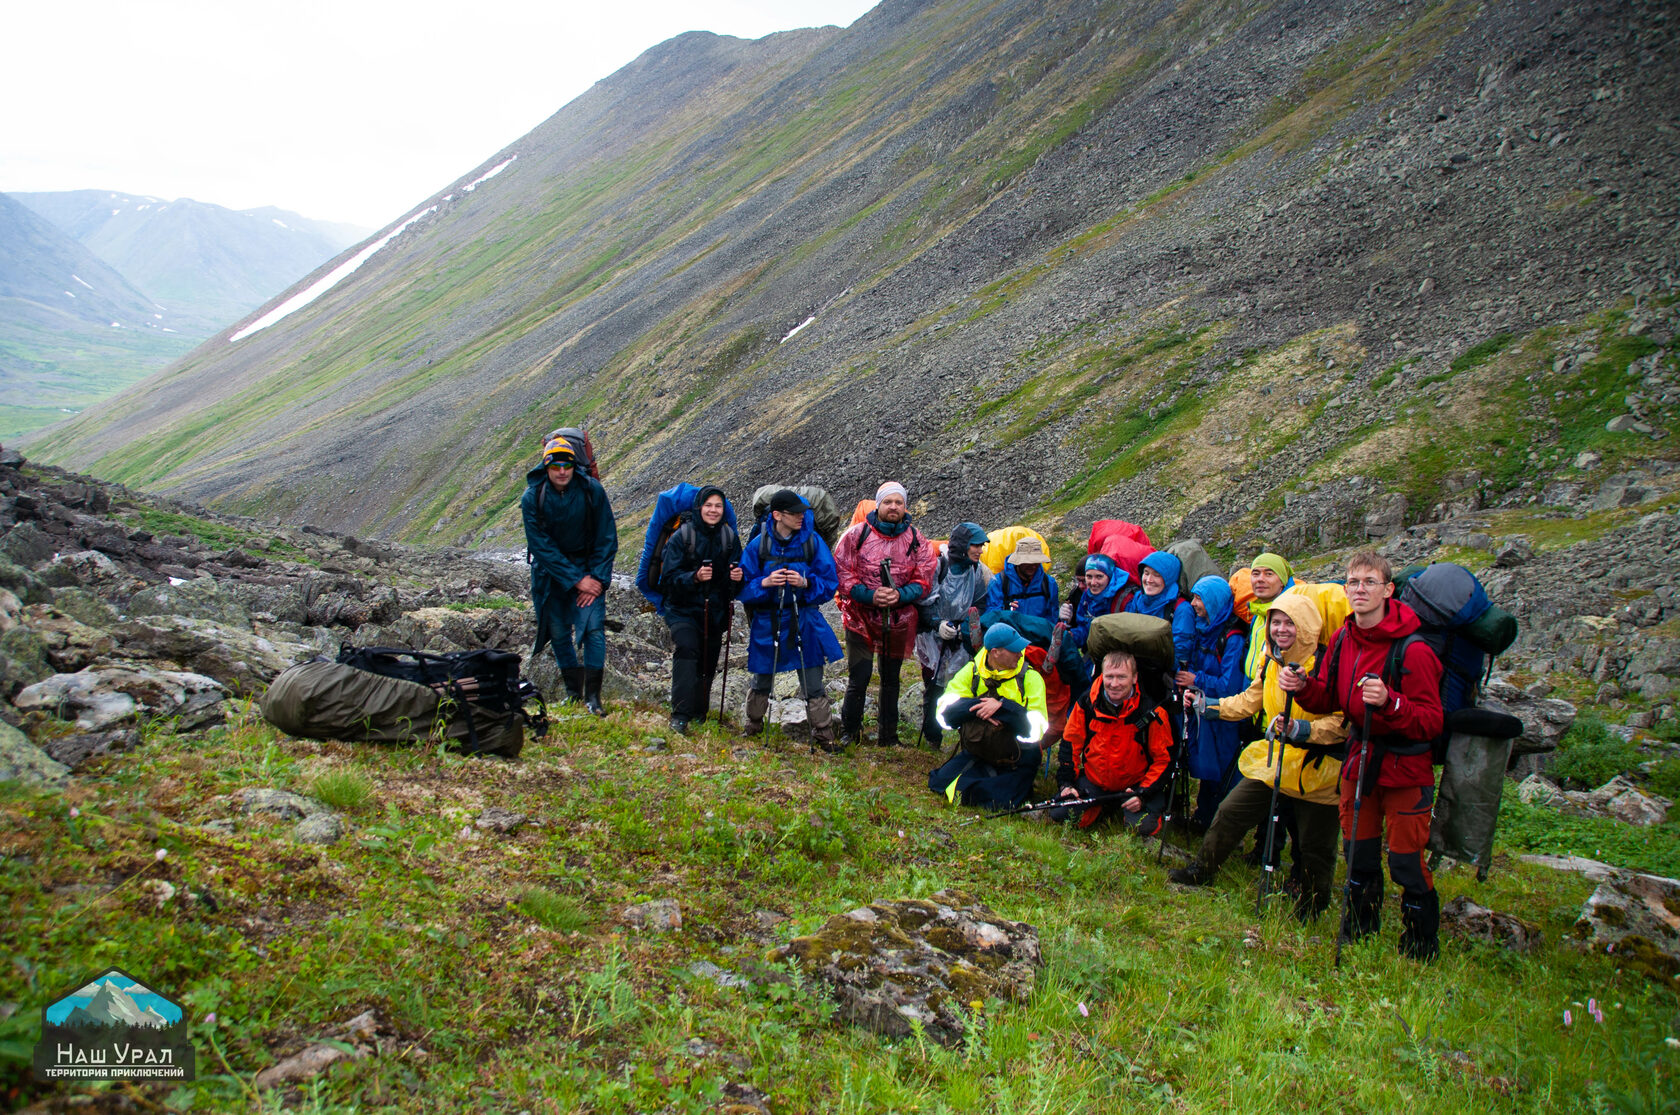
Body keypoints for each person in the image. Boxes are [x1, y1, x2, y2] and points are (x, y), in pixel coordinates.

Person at [1280, 551, 1445, 961]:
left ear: (1388, 590)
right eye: (1353, 582)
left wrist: (1391, 704)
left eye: (1369, 582)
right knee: (1359, 853)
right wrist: (1300, 686)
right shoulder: (1343, 638)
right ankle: (1360, 930)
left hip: (1406, 767)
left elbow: (1431, 721)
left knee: (1406, 861)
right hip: (1360, 759)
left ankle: (1420, 944)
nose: (1359, 590)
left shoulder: (1415, 649)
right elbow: (1330, 697)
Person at [1170, 593, 1346, 920]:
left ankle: (1313, 906)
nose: (1280, 629)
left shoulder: (1327, 664)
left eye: (1289, 622)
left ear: (1306, 626)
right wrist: (1207, 707)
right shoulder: (1272, 661)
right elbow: (1250, 701)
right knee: (1231, 812)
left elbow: (1341, 722)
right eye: (1275, 622)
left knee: (1315, 846)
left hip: (1318, 767)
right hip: (1276, 761)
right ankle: (1202, 870)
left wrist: (1303, 729)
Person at [834, 481, 938, 747]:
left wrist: (901, 595)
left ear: (905, 506)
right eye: (888, 502)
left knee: (892, 679)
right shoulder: (856, 535)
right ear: (878, 504)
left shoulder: (916, 539)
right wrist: (869, 596)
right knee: (860, 676)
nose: (893, 507)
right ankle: (850, 731)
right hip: (860, 618)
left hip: (899, 619)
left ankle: (888, 736)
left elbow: (924, 575)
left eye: (899, 502)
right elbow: (842, 570)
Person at [738, 489, 845, 747]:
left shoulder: (813, 542)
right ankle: (753, 726)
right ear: (776, 515)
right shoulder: (758, 545)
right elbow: (743, 587)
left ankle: (824, 734)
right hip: (768, 621)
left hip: (805, 620)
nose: (800, 516)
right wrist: (764, 582)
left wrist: (806, 582)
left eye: (802, 512)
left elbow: (830, 583)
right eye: (794, 512)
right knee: (762, 677)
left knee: (812, 680)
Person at [523, 435, 617, 716]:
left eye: (567, 465)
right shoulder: (532, 497)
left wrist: (597, 580)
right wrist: (577, 580)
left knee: (593, 630)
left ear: (574, 465)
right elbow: (541, 546)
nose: (562, 471)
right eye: (555, 466)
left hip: (590, 569)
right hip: (551, 576)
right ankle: (573, 693)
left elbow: (607, 536)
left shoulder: (592, 491)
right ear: (546, 467)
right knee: (559, 632)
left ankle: (593, 698)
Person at [928, 623, 1049, 809]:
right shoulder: (972, 671)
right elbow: (944, 715)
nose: (1020, 653)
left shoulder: (1031, 678)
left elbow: (1037, 730)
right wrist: (978, 706)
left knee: (997, 801)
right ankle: (984, 778)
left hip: (1017, 758)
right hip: (980, 751)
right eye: (1015, 649)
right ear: (995, 652)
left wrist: (1002, 707)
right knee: (939, 783)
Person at [1050, 650, 1173, 831]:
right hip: (1095, 781)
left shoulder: (1152, 712)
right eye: (1109, 676)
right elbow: (1070, 745)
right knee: (1060, 814)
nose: (1114, 684)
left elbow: (1164, 759)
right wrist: (1066, 784)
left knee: (1142, 828)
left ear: (1134, 678)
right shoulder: (1086, 704)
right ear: (1102, 675)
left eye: (1121, 677)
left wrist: (1143, 793)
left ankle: (1128, 808)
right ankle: (1100, 807)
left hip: (1135, 785)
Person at [657, 486, 743, 734]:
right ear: (699, 507)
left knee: (708, 659)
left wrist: (738, 578)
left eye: (718, 506)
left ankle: (699, 713)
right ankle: (680, 715)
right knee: (687, 649)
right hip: (682, 608)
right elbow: (668, 579)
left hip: (714, 610)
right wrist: (694, 577)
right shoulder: (682, 537)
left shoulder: (729, 537)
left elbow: (734, 585)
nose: (714, 510)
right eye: (709, 505)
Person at [1176, 575, 1249, 828]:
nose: (1194, 604)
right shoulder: (1203, 629)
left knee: (1225, 769)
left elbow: (1230, 685)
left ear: (1214, 601)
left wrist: (1197, 679)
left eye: (1199, 599)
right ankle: (1204, 818)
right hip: (1204, 710)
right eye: (1194, 597)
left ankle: (1221, 824)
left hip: (1225, 716)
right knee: (1210, 766)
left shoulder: (1233, 638)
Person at [914, 522, 991, 744]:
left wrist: (964, 627)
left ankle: (963, 733)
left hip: (959, 635)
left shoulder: (976, 570)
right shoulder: (938, 565)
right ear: (962, 545)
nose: (980, 550)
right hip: (932, 636)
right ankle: (932, 736)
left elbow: (980, 604)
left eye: (981, 545)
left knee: (962, 685)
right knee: (933, 687)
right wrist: (938, 624)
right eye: (975, 545)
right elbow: (923, 600)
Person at [1124, 551, 1195, 668]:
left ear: (1169, 578)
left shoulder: (1181, 609)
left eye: (1157, 575)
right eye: (1146, 573)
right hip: (1136, 667)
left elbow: (1180, 653)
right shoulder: (1138, 598)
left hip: (1163, 673)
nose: (1149, 580)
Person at [1062, 553, 1130, 669]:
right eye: (1089, 576)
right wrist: (1071, 636)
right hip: (1094, 657)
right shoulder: (1087, 597)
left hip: (1119, 662)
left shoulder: (1124, 599)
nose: (1093, 583)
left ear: (1109, 576)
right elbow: (1085, 628)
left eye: (1099, 577)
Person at [986, 537, 1059, 621]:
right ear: (1017, 562)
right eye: (1027, 562)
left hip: (1039, 632)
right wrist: (1004, 610)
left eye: (1036, 561)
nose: (1033, 565)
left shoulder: (1049, 583)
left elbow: (1053, 616)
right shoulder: (998, 582)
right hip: (1010, 632)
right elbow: (989, 614)